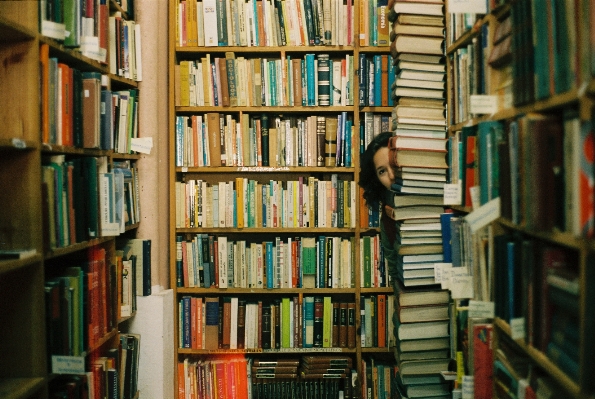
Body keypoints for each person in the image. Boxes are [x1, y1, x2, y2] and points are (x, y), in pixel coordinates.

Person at [359, 131, 400, 282]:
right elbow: (395, 272)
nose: (391, 176)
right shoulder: (388, 217)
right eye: (382, 171)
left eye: (394, 165)